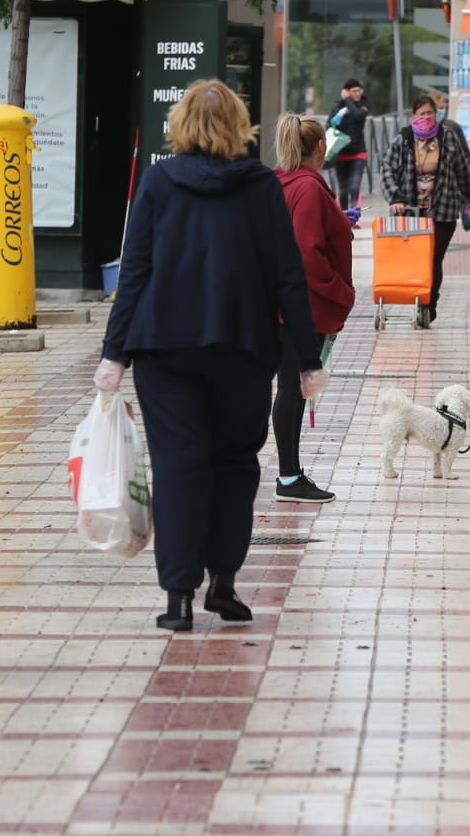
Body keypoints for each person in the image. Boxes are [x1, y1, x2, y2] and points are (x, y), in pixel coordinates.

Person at [95, 80, 322, 631]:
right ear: (239, 125)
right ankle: (223, 580)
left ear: (181, 124)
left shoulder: (158, 182)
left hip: (165, 349)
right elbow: (288, 275)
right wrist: (309, 359)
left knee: (178, 465)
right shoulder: (260, 186)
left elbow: (135, 271)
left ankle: (178, 597)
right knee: (235, 462)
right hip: (243, 347)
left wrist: (114, 355)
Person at [272, 113, 354, 504]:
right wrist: (340, 292)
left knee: (291, 387)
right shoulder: (308, 187)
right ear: (322, 146)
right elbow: (308, 253)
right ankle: (288, 477)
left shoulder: (282, 182)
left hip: (281, 302)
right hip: (301, 307)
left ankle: (290, 473)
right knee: (292, 388)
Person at [383, 91, 470, 329]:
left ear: (436, 115)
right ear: (412, 116)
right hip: (411, 213)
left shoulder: (448, 137)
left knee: (434, 259)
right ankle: (417, 298)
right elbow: (387, 168)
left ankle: (428, 306)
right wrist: (395, 197)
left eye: (430, 113)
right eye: (421, 113)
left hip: (443, 211)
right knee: (416, 259)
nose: (426, 117)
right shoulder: (403, 139)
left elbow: (461, 168)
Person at [329, 79, 370, 213]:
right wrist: (342, 110)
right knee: (343, 189)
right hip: (341, 153)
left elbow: (358, 116)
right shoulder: (338, 107)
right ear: (347, 91)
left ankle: (354, 214)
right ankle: (343, 216)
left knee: (354, 186)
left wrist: (347, 100)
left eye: (359, 90)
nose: (358, 93)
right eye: (354, 91)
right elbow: (330, 124)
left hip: (358, 152)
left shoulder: (364, 105)